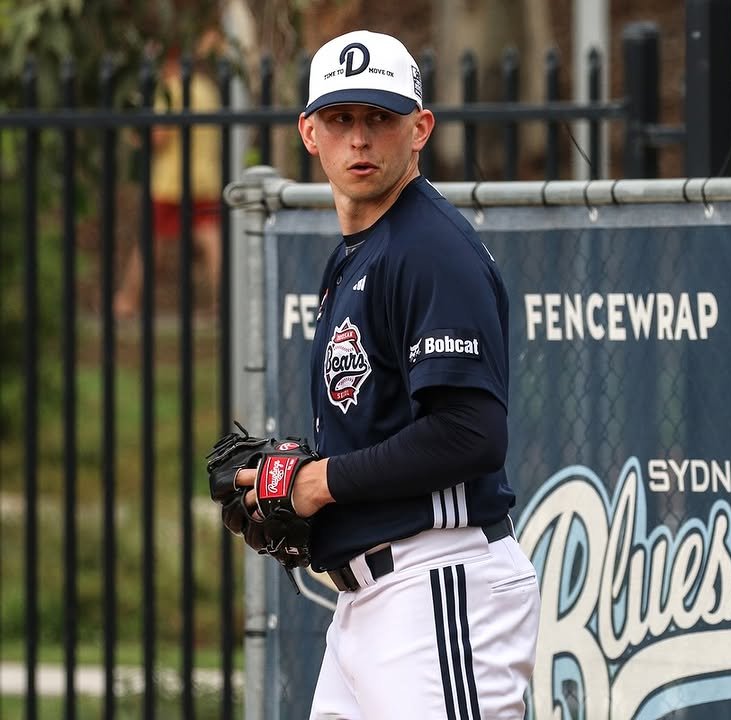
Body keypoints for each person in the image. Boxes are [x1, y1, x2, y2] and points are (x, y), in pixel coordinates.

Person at [234, 29, 541, 719]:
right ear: (309, 133)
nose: (360, 140)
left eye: (380, 118)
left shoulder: (428, 249)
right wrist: (297, 480)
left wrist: (319, 483)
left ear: (420, 128)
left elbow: (470, 435)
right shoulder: (361, 251)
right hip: (371, 601)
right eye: (341, 120)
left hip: (438, 586)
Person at [113, 33, 222, 319]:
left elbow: (158, 137)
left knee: (151, 242)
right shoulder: (207, 88)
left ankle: (127, 300)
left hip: (172, 181)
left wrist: (138, 136)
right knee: (211, 239)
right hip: (205, 176)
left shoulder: (169, 90)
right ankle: (221, 301)